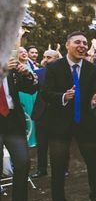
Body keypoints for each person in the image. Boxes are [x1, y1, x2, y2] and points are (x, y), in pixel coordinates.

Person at [42, 31, 96, 201]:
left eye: (85, 43)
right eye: (77, 42)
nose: (82, 46)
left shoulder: (92, 69)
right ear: (67, 45)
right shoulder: (54, 68)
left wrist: (95, 100)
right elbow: (45, 93)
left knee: (93, 162)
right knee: (58, 165)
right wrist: (63, 96)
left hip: (85, 121)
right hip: (59, 123)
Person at [0, 54, 38, 201]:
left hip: (13, 122)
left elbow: (30, 89)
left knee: (23, 163)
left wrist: (26, 74)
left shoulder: (10, 64)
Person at [31, 49, 62, 178]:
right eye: (44, 57)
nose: (45, 59)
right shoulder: (38, 73)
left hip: (57, 113)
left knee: (59, 143)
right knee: (42, 144)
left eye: (49, 57)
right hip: (41, 112)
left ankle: (63, 168)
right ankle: (41, 169)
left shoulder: (63, 73)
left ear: (56, 59)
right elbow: (32, 88)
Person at [16, 47, 37, 147]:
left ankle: (34, 138)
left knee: (33, 115)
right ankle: (27, 139)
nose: (24, 53)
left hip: (33, 93)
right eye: (21, 52)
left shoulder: (31, 65)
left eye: (25, 52)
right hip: (22, 94)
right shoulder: (15, 66)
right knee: (26, 115)